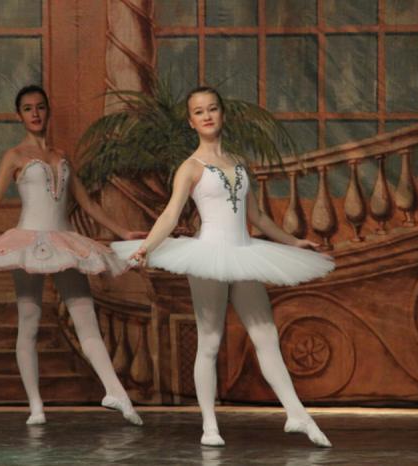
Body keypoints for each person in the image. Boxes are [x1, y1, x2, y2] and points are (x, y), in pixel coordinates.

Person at [112, 86, 335, 447]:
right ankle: (209, 426)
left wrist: (292, 242)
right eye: (199, 112)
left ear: (222, 114)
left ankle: (297, 415)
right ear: (191, 121)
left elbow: (257, 216)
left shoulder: (239, 162)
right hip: (209, 256)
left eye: (212, 109)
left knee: (266, 336)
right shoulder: (190, 167)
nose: (207, 116)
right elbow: (170, 214)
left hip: (244, 253)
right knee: (210, 341)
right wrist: (146, 247)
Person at [0, 85, 143, 426]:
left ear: (48, 111)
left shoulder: (62, 156)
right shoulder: (15, 156)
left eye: (40, 107)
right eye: (27, 108)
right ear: (19, 115)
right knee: (29, 320)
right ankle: (35, 406)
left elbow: (86, 203)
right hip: (27, 242)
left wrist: (123, 232)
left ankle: (116, 393)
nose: (35, 114)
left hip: (65, 242)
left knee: (86, 317)